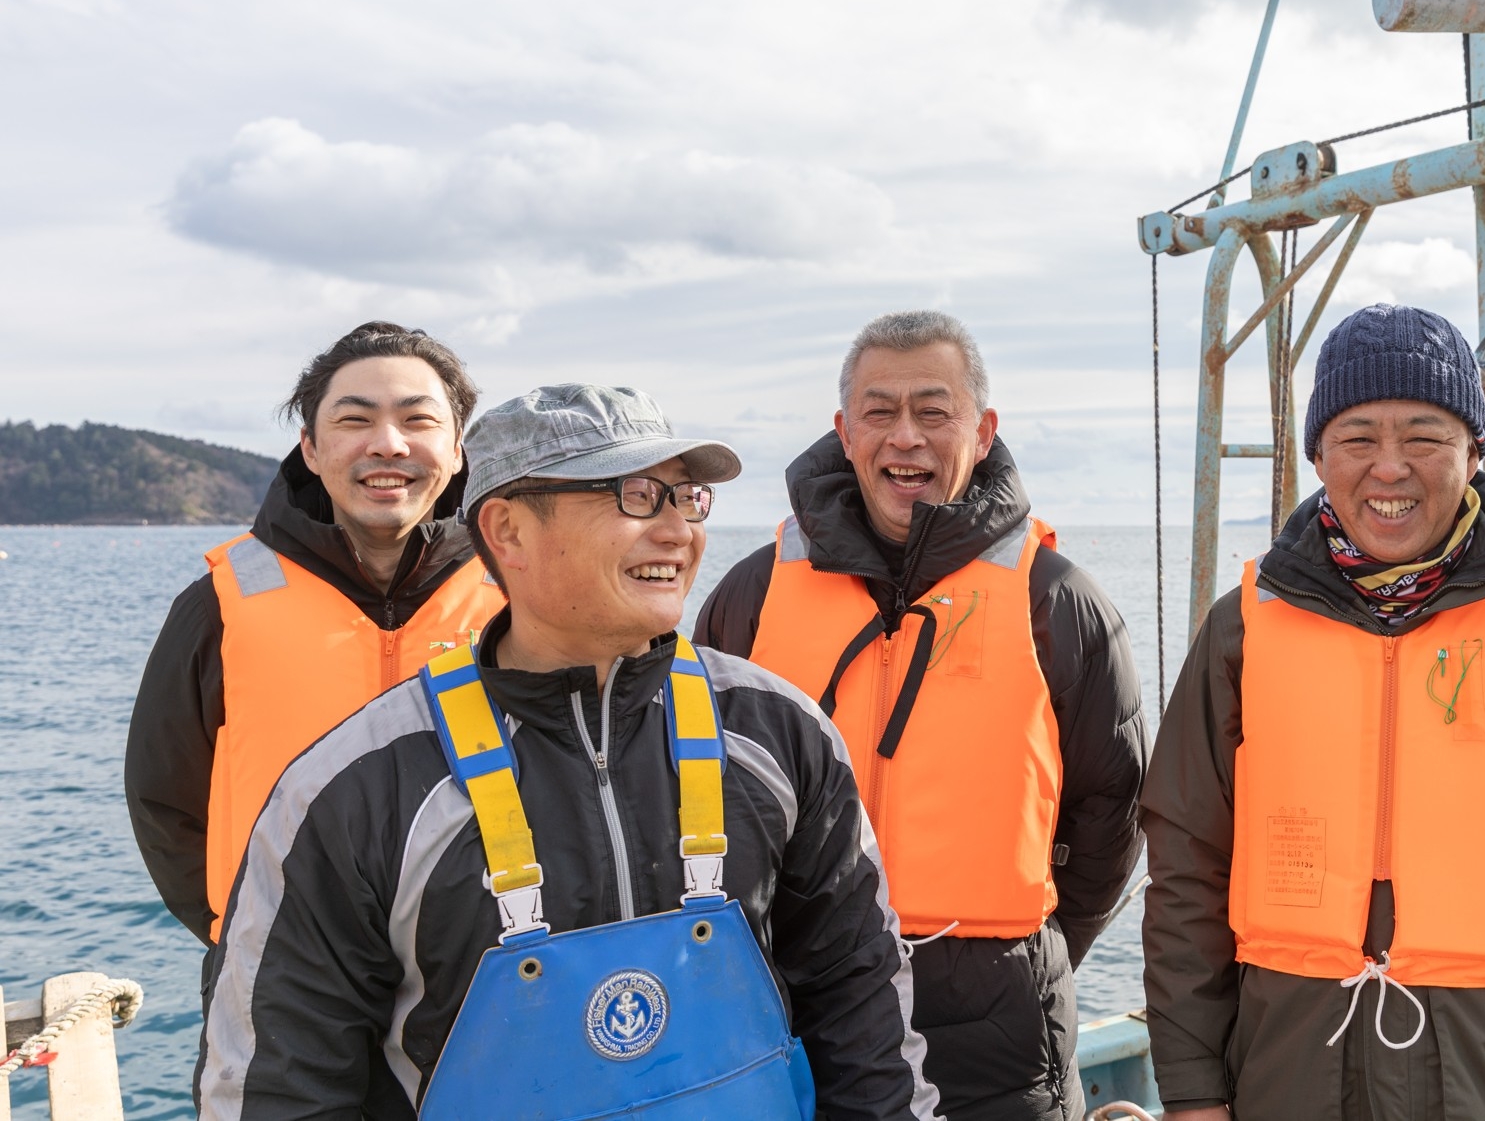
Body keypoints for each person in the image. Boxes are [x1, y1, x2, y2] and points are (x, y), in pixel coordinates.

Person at [196, 383, 942, 1120]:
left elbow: (865, 1027)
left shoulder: (779, 733)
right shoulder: (355, 787)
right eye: (637, 494)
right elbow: (279, 1091)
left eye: (687, 497)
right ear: (508, 530)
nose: (679, 530)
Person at [1141, 304, 1485, 1121]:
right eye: (1359, 437)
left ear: (1475, 450)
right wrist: (1194, 1092)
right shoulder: (1241, 629)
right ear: (1318, 456)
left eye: (1424, 436)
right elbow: (1186, 876)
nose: (1390, 467)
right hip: (1290, 1075)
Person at [697, 309, 1148, 1121]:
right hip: (787, 991)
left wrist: (1022, 954)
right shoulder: (752, 596)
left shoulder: (1058, 601)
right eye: (880, 411)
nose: (905, 437)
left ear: (982, 431)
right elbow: (691, 792)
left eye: (933, 412)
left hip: (995, 1020)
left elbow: (1111, 812)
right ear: (844, 431)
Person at [126, 321, 504, 944]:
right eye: (355, 420)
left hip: (482, 965)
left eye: (418, 420)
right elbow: (162, 799)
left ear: (459, 445)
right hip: (278, 970)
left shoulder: (519, 596)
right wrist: (237, 932)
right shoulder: (222, 603)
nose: (388, 444)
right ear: (310, 448)